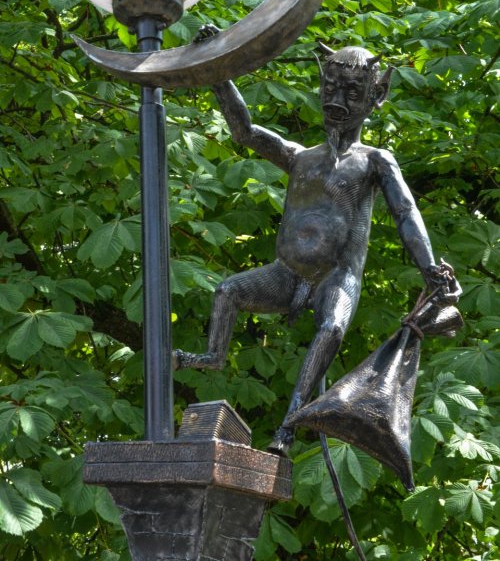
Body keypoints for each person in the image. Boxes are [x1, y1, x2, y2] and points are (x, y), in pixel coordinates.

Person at [174, 44, 458, 454]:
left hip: (336, 277)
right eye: (330, 90)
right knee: (228, 291)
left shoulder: (375, 160)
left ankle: (288, 425)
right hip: (287, 273)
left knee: (331, 328)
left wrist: (429, 266)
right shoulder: (301, 157)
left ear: (376, 97)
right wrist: (219, 75)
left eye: (352, 93)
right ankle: (212, 356)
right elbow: (245, 132)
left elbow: (405, 212)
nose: (337, 102)